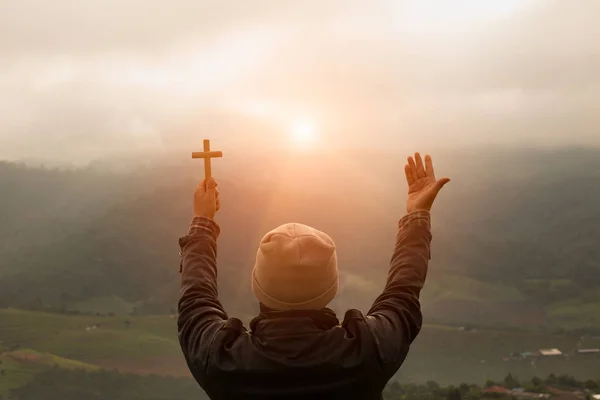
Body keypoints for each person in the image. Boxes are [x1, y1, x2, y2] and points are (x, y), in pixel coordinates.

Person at [177, 152, 450, 400]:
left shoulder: (219, 361)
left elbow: (196, 297)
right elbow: (403, 292)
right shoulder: (369, 351)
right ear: (330, 287)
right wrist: (417, 214)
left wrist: (204, 221)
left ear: (258, 284)